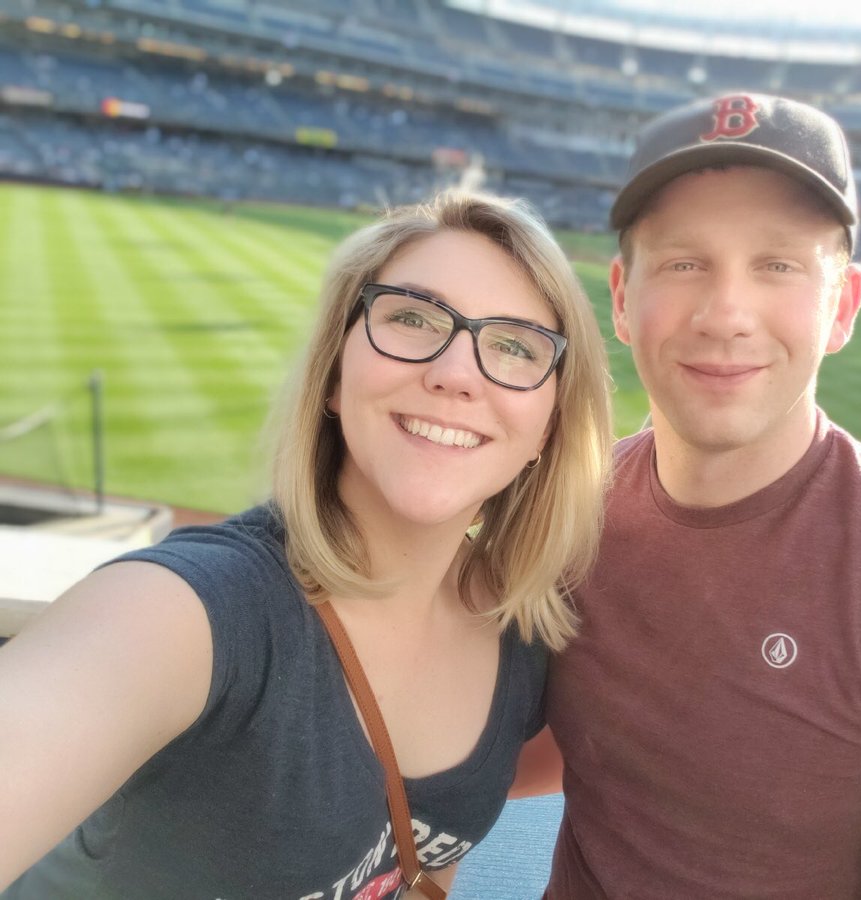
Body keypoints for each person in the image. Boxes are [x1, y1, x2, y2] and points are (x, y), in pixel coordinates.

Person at [0, 190, 611, 898]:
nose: (455, 373)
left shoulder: (521, 632)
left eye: (514, 346)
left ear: (548, 427)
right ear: (333, 373)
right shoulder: (185, 614)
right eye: (412, 317)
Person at [530, 93, 861, 898]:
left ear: (842, 306)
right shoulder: (565, 516)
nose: (725, 314)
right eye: (683, 262)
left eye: (777, 265)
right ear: (622, 298)